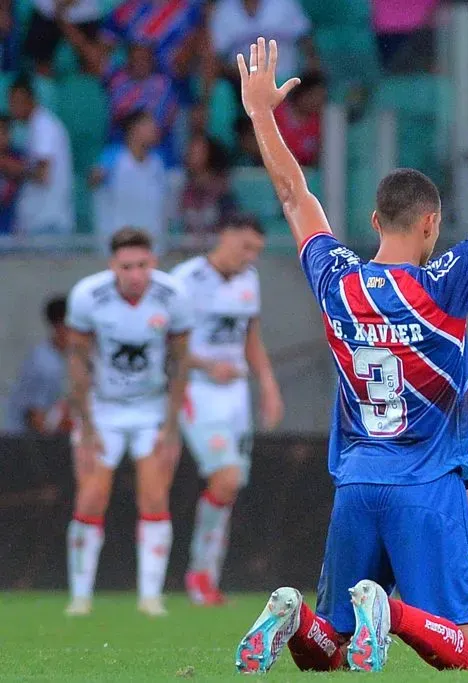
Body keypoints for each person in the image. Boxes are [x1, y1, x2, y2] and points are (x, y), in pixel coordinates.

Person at [232, 28, 468, 673]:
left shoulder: (338, 280)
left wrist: (263, 114)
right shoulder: (448, 281)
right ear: (432, 223)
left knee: (325, 651)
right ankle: (395, 613)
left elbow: (295, 195)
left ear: (375, 221)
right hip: (427, 488)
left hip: (355, 484)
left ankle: (295, 615)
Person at [63, 227, 192, 617]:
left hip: (151, 408)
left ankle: (150, 596)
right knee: (91, 495)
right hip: (103, 408)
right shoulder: (88, 297)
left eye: (142, 265)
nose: (135, 274)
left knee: (154, 496)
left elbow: (181, 362)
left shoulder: (173, 296)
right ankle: (80, 597)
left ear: (153, 262)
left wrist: (171, 426)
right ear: (112, 266)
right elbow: (77, 362)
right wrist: (85, 426)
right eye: (126, 267)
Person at [171, 214, 283, 606]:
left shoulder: (248, 281)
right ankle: (199, 573)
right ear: (225, 236)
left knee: (230, 486)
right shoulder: (186, 280)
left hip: (236, 396)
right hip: (198, 391)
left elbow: (251, 337)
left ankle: (206, 577)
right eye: (245, 247)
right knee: (226, 478)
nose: (250, 257)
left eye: (256, 251)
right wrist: (205, 365)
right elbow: (168, 343)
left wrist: (267, 385)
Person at [91, 110, 168, 255]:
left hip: (151, 245)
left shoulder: (158, 162)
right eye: (149, 125)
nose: (155, 130)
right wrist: (97, 176)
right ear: (134, 129)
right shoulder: (112, 158)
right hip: (117, 243)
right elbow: (93, 182)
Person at [8, 74, 73, 236]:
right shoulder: (36, 126)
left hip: (47, 222)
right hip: (40, 221)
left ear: (30, 100)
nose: (12, 108)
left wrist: (7, 165)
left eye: (15, 102)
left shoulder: (44, 126)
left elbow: (42, 174)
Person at [5, 296, 71, 435]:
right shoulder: (44, 364)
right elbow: (36, 417)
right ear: (59, 326)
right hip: (22, 444)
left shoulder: (61, 357)